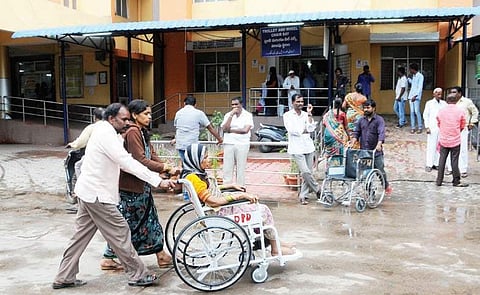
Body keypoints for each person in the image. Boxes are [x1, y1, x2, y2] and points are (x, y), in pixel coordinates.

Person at [52, 103, 175, 289]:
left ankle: (64, 276)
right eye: (124, 119)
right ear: (111, 119)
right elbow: (126, 162)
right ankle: (138, 274)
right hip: (97, 195)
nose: (127, 122)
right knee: (120, 231)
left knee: (79, 237)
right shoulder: (106, 134)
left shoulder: (107, 131)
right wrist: (157, 181)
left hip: (88, 192)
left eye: (128, 119)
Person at [100, 100, 180, 271]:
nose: (149, 117)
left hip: (141, 186)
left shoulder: (142, 132)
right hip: (130, 188)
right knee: (129, 225)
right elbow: (140, 159)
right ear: (135, 115)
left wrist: (168, 167)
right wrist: (165, 168)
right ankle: (108, 257)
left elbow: (152, 154)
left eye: (150, 114)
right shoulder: (133, 132)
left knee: (149, 221)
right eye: (146, 114)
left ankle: (161, 254)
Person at [182, 143, 296, 256]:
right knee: (263, 210)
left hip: (215, 211)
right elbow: (213, 201)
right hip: (218, 213)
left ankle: (274, 241)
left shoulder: (193, 175)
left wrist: (229, 186)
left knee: (255, 209)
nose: (208, 159)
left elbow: (209, 190)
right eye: (205, 157)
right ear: (196, 160)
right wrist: (239, 196)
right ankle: (275, 248)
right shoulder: (194, 178)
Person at [283, 93, 321, 205]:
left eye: (302, 102)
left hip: (308, 146)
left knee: (308, 172)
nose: (300, 104)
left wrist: (309, 114)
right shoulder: (287, 115)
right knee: (305, 172)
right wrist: (303, 130)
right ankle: (318, 190)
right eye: (298, 101)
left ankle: (303, 196)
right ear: (292, 102)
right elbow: (292, 130)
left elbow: (311, 128)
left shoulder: (305, 114)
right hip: (296, 147)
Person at [350, 99, 392, 195]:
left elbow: (381, 133)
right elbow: (356, 132)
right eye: (364, 108)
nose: (366, 110)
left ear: (373, 108)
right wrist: (353, 141)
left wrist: (379, 144)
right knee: (366, 173)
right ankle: (369, 191)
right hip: (364, 152)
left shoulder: (379, 120)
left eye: (368, 108)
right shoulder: (361, 120)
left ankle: (385, 185)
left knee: (380, 171)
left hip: (376, 152)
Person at [173, 95, 223, 162]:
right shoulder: (199, 113)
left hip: (180, 144)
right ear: (195, 105)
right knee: (193, 165)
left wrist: (176, 139)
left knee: (185, 165)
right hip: (192, 144)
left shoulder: (178, 113)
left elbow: (178, 128)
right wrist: (219, 139)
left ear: (184, 103)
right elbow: (210, 128)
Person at [435, 93, 468, 187]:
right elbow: (463, 124)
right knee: (454, 161)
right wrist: (457, 131)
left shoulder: (441, 111)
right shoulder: (460, 111)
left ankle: (439, 181)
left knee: (442, 160)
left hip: (443, 139)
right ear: (456, 100)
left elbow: (438, 122)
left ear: (447, 101)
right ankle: (456, 181)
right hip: (455, 140)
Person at [221, 97, 254, 186]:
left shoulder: (248, 115)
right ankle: (227, 188)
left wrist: (230, 130)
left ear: (241, 104)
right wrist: (231, 115)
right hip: (229, 143)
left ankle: (241, 188)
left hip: (242, 144)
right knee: (227, 168)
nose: (234, 106)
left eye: (236, 104)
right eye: (233, 105)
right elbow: (224, 128)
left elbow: (245, 130)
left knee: (241, 168)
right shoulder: (228, 115)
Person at [448, 86, 479, 178]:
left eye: (454, 92)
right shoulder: (450, 102)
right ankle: (450, 169)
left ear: (460, 93)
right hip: (451, 129)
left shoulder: (467, 102)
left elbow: (475, 112)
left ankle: (463, 170)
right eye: (451, 92)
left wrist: (472, 123)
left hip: (463, 129)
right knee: (450, 149)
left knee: (462, 150)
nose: (452, 94)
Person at [423, 88, 447, 172]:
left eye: (440, 93)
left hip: (442, 128)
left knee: (439, 146)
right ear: (434, 94)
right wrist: (427, 127)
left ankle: (436, 163)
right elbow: (426, 115)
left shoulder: (444, 104)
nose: (439, 95)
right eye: (437, 93)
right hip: (432, 127)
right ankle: (429, 164)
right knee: (431, 146)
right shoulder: (429, 103)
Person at [342, 83, 367, 149]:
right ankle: (357, 146)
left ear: (354, 88)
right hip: (359, 116)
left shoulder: (349, 96)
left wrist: (347, 110)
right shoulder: (363, 98)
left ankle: (348, 144)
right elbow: (365, 108)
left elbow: (343, 106)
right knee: (357, 131)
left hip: (349, 115)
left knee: (349, 130)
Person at [407, 63, 424, 134]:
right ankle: (413, 127)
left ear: (413, 69)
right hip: (411, 96)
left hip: (416, 97)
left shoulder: (420, 76)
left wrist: (415, 96)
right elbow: (413, 85)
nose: (409, 70)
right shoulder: (413, 76)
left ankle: (420, 127)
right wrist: (408, 79)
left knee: (417, 112)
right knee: (412, 112)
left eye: (410, 69)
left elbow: (420, 87)